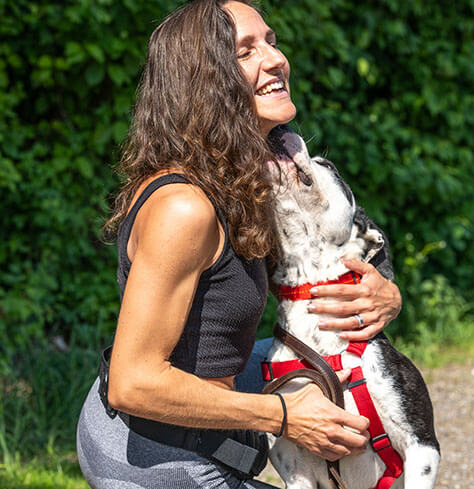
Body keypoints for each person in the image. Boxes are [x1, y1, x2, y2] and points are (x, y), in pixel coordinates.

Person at [76, 1, 402, 488]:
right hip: (147, 450)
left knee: (355, 360)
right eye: (246, 52)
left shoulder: (245, 176)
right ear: (204, 82)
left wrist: (385, 292)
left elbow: (331, 260)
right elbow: (132, 382)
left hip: (203, 416)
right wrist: (284, 415)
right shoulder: (184, 207)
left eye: (271, 41)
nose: (276, 59)